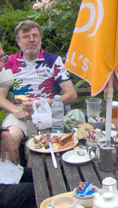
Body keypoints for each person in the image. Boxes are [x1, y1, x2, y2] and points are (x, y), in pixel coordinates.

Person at [0, 20, 78, 164]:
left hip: (47, 116)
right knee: (8, 141)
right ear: (18, 41)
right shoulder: (10, 62)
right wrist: (15, 110)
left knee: (39, 153)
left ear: (40, 38)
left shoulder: (53, 61)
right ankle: (12, 183)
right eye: (26, 36)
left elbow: (71, 94)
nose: (32, 40)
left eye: (35, 36)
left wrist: (42, 104)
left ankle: (36, 183)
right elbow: (1, 96)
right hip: (20, 117)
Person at [0, 42, 36, 208]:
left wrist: (2, 132)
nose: (3, 64)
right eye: (0, 59)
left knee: (44, 174)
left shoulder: (52, 60)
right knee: (40, 191)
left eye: (3, 57)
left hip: (3, 170)